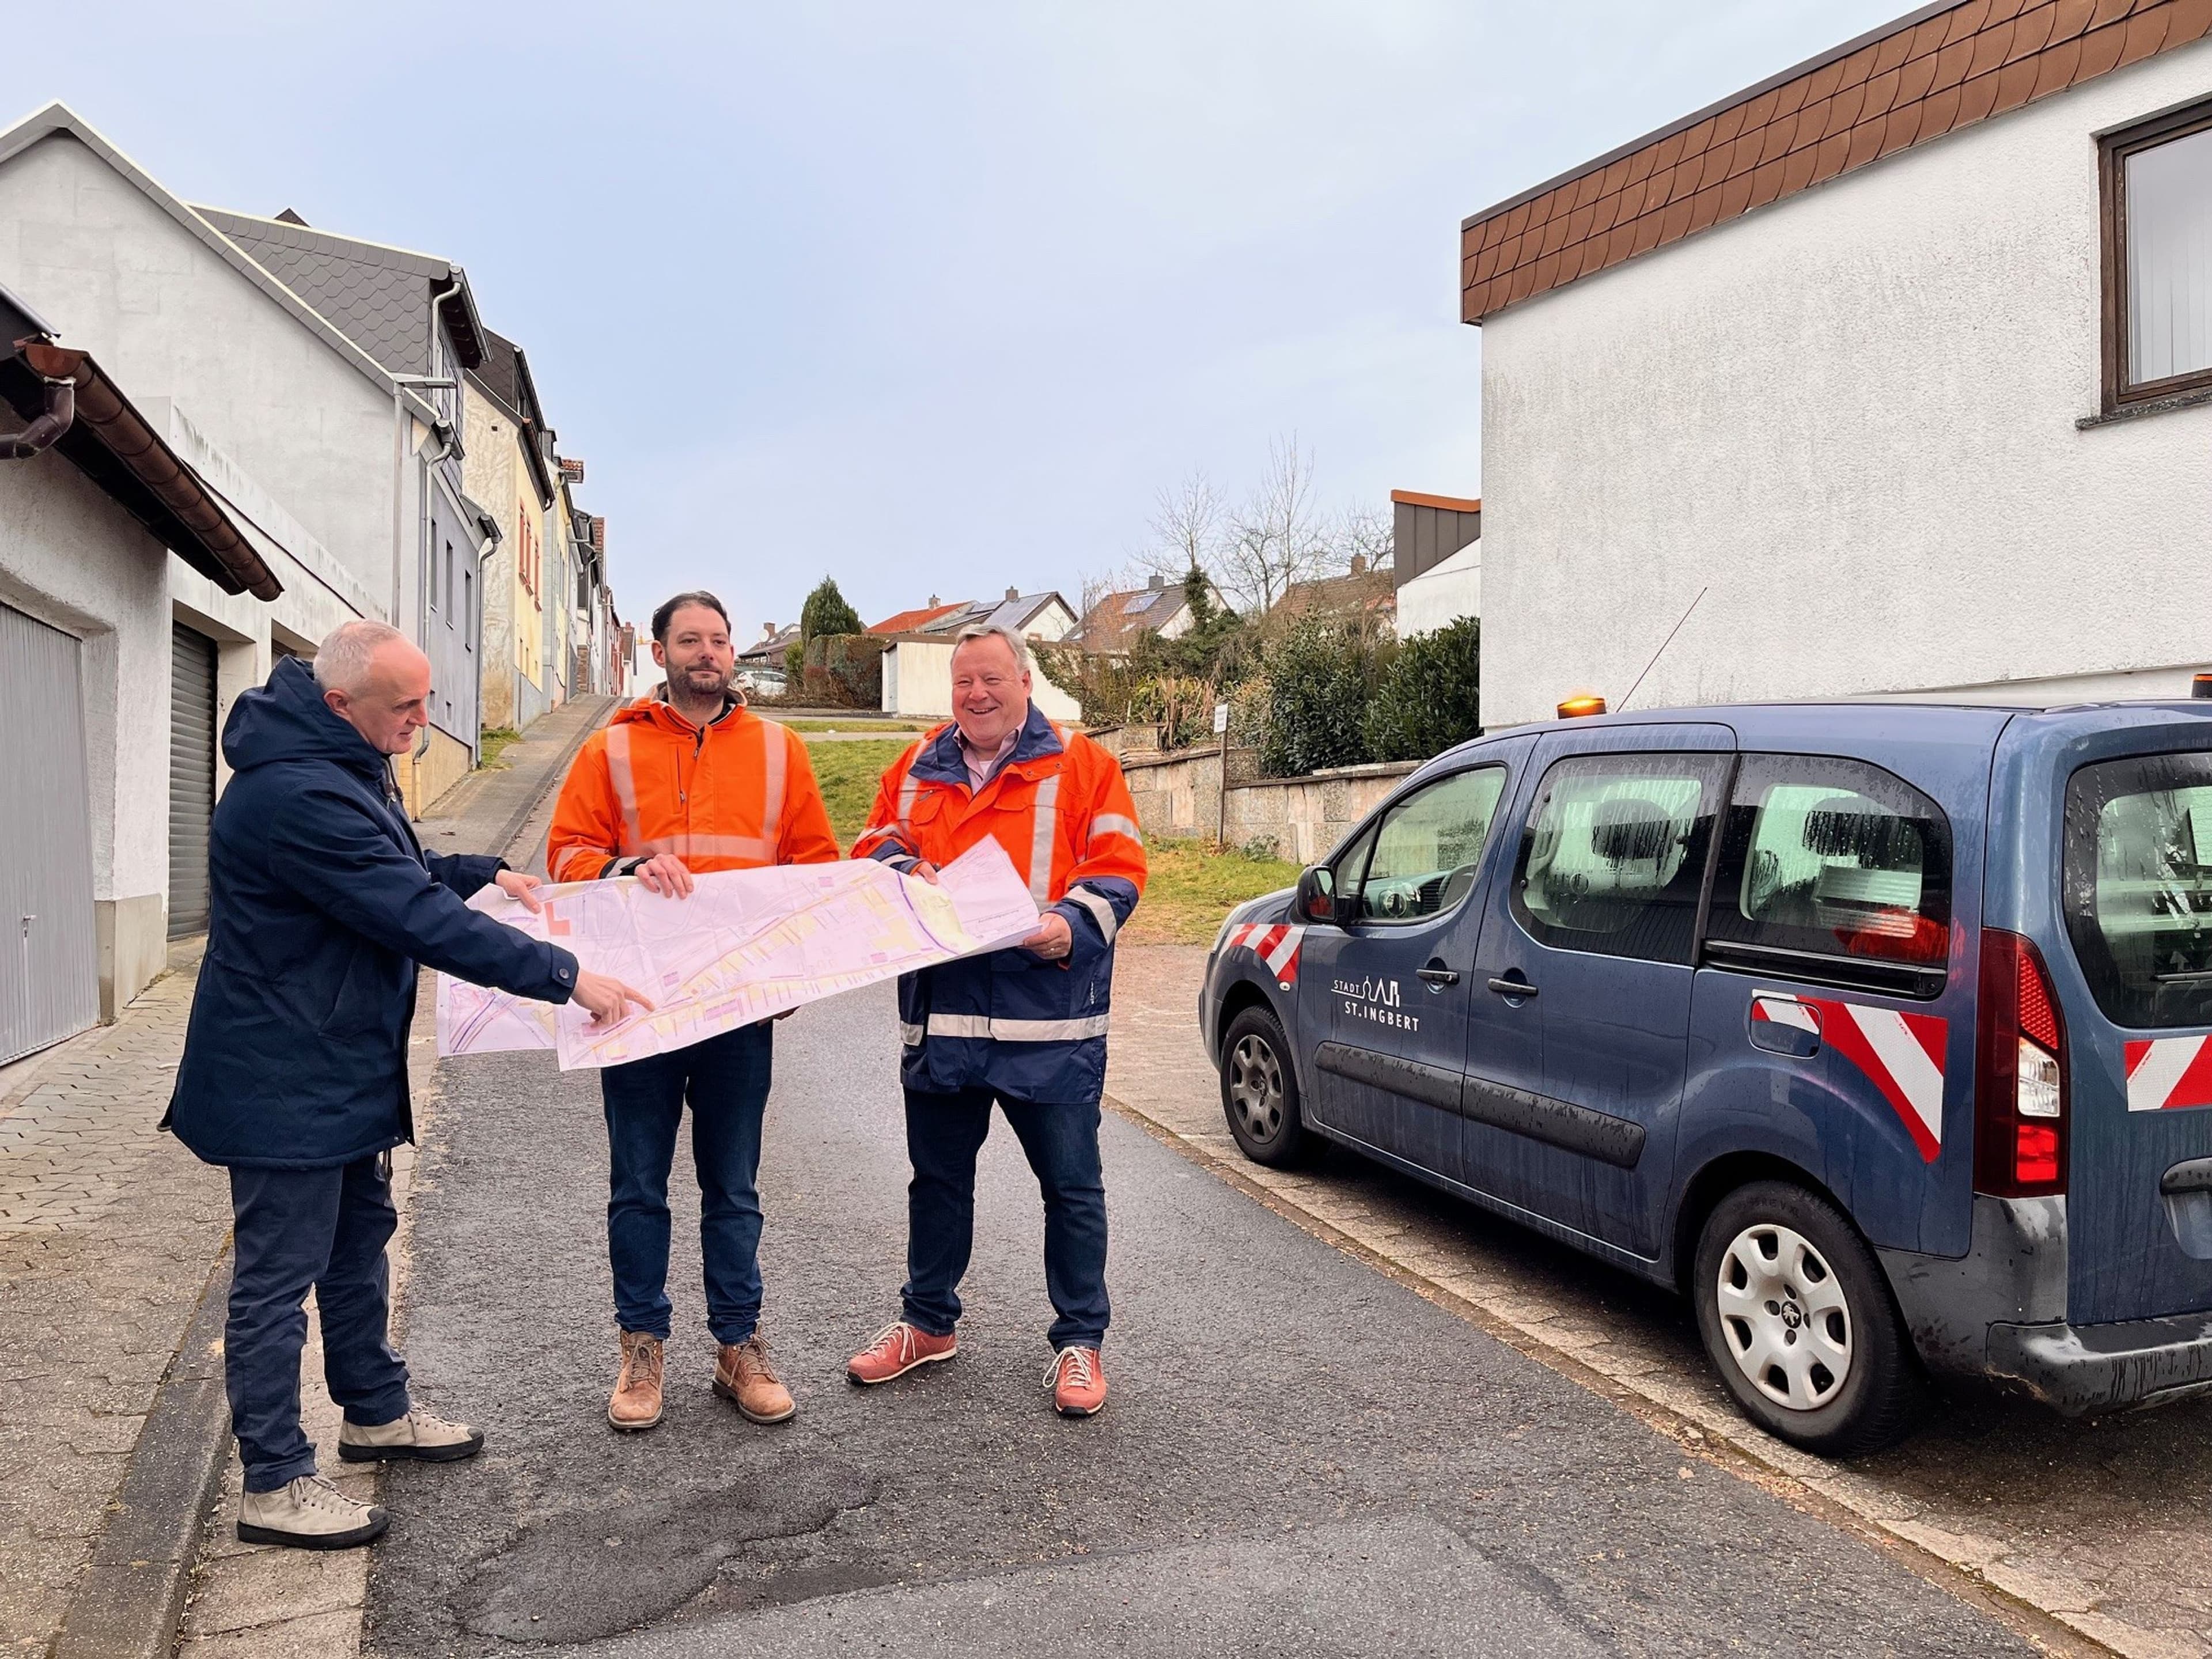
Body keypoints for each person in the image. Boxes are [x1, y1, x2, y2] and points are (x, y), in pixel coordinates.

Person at [165, 620, 649, 1550]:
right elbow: (409, 913)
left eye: (428, 701)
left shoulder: (339, 757)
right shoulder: (296, 792)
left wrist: (484, 869)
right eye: (408, 707)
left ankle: (375, 1411)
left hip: (338, 1062)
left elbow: (404, 868)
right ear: (341, 703)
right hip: (284, 1076)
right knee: (277, 1281)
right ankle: (273, 1484)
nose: (424, 722)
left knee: (357, 1250)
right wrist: (565, 977)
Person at [547, 590, 839, 1433]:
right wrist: (625, 867)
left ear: (732, 651)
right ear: (659, 649)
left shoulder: (780, 751)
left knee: (733, 1186)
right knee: (637, 1185)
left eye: (718, 640)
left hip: (735, 1007)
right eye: (690, 640)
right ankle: (641, 1349)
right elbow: (566, 852)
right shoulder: (611, 749)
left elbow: (812, 873)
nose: (707, 652)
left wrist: (789, 979)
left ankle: (738, 1347)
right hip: (636, 1006)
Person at [846, 622, 1146, 1416]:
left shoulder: (1086, 766)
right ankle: (927, 1322)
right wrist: (908, 868)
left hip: (1046, 1019)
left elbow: (1118, 873)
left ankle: (1081, 1342)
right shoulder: (913, 766)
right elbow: (872, 841)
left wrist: (1068, 928)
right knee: (937, 1184)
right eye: (962, 684)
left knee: (1071, 1188)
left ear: (1026, 684)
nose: (976, 695)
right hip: (944, 1018)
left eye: (992, 680)